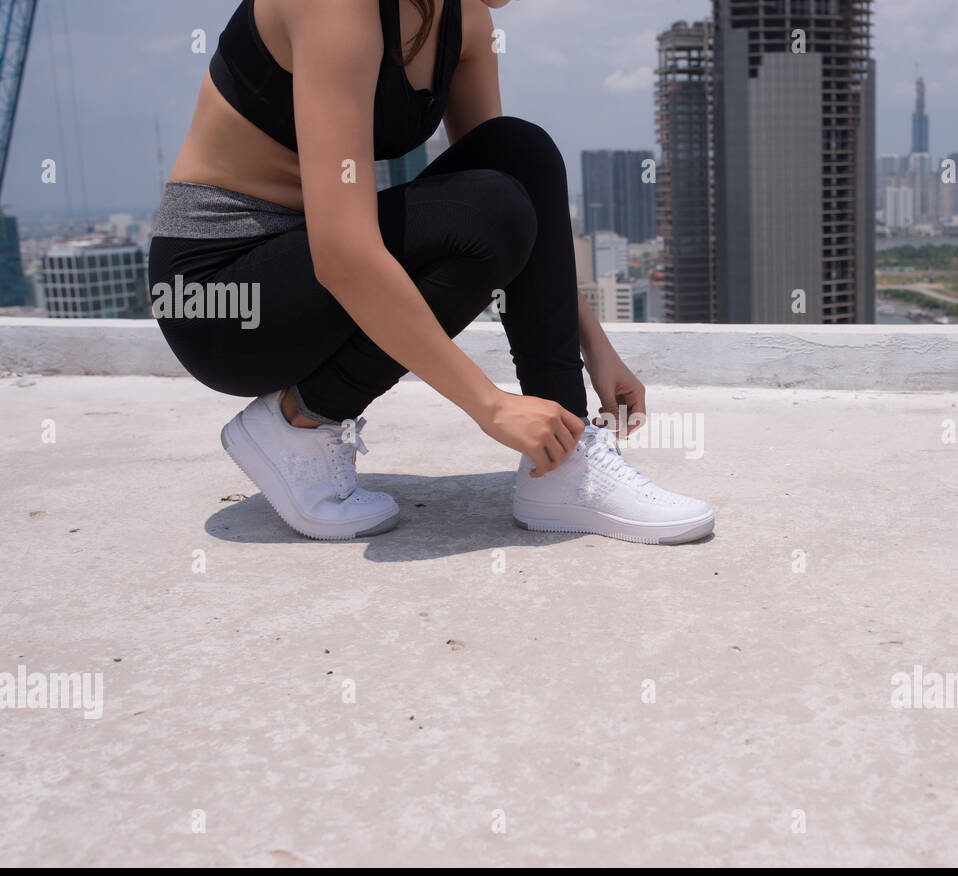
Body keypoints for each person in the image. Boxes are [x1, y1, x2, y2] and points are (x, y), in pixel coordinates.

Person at [149, 0, 714, 545]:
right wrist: (489, 405)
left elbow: (523, 212)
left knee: (520, 150)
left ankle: (562, 467)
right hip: (223, 296)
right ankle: (301, 421)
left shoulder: (465, 20)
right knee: (492, 206)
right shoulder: (336, 4)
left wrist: (597, 349)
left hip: (308, 266)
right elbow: (343, 252)